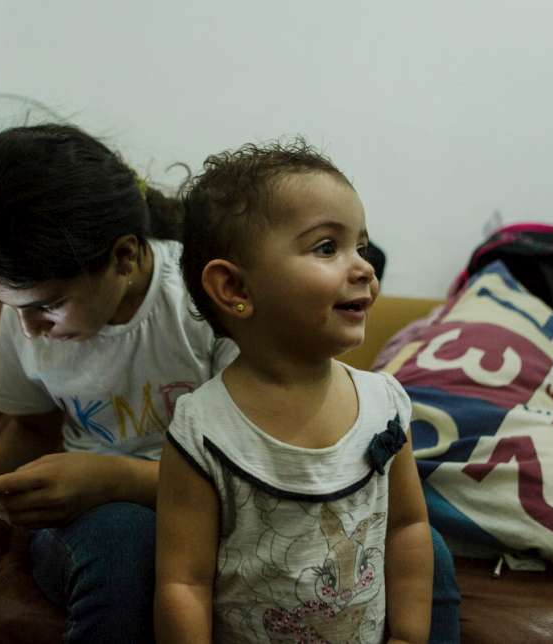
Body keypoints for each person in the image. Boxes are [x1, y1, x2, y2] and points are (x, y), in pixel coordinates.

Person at [0, 123, 238, 643]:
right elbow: (33, 431)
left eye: (45, 307)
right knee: (119, 537)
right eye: (13, 309)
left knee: (132, 531)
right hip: (85, 524)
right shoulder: (25, 319)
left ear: (124, 257)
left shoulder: (203, 304)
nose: (31, 329)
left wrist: (110, 479)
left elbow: (247, 470)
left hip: (200, 510)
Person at [155, 140, 460, 643]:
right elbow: (183, 583)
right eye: (327, 247)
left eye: (361, 247)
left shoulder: (385, 403)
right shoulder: (203, 429)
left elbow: (406, 526)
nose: (364, 267)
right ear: (235, 290)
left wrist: (408, 635)